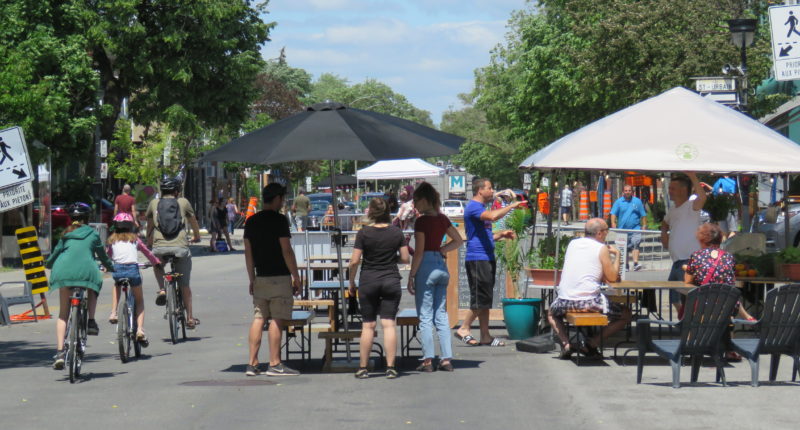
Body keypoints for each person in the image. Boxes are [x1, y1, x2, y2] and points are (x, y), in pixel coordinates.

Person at [547, 218, 632, 358]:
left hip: (564, 300)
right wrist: (617, 255)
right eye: (606, 231)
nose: (607, 235)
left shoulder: (573, 244)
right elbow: (611, 278)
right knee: (626, 314)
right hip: (588, 301)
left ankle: (566, 344)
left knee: (551, 314)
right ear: (599, 233)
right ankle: (592, 343)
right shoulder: (601, 248)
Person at [46, 202, 115, 369]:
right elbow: (102, 256)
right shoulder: (92, 234)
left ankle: (61, 352)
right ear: (87, 219)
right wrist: (112, 267)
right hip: (86, 271)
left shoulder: (66, 234)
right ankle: (91, 320)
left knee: (63, 314)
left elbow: (54, 255)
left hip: (64, 272)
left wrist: (48, 264)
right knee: (93, 286)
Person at [455, 178, 522, 347]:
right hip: (477, 258)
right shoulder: (473, 207)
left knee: (486, 299)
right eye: (489, 188)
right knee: (480, 298)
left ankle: (485, 335)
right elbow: (492, 217)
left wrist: (501, 235)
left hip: (487, 257)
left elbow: (484, 236)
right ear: (480, 191)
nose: (492, 191)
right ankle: (464, 328)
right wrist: (511, 206)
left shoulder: (481, 208)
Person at [348, 198, 409, 379]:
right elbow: (406, 259)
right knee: (389, 323)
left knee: (368, 325)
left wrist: (351, 282)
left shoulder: (364, 233)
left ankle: (363, 368)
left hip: (369, 280)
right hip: (391, 280)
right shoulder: (396, 232)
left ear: (371, 212)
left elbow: (354, 261)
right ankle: (390, 367)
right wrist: (392, 260)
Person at [244, 183, 302, 376]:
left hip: (260, 276)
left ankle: (252, 363)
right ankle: (275, 363)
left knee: (259, 318)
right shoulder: (279, 220)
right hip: (279, 276)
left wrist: (252, 278)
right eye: (282, 199)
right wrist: (296, 276)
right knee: (277, 319)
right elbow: (286, 249)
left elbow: (248, 253)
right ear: (277, 198)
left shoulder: (251, 221)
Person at [407, 182, 463, 372]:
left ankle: (428, 360)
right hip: (441, 265)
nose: (414, 204)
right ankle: (446, 358)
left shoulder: (421, 222)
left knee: (425, 315)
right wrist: (442, 249)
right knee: (441, 314)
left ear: (424, 200)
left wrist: (411, 275)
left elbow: (419, 251)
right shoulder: (442, 219)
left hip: (426, 267)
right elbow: (458, 240)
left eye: (416, 200)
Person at [146, 177, 202, 328]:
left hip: (159, 247)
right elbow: (193, 221)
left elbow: (150, 226)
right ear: (177, 191)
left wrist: (149, 242)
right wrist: (197, 236)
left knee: (157, 264)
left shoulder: (153, 203)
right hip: (180, 248)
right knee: (185, 284)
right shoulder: (183, 202)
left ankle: (162, 289)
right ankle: (190, 318)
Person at [106, 212, 162, 347]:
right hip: (132, 270)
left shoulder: (112, 239)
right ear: (131, 226)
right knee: (139, 300)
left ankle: (113, 313)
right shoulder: (135, 239)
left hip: (118, 270)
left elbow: (108, 255)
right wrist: (156, 262)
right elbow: (147, 252)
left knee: (116, 284)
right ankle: (140, 330)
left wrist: (105, 266)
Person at [661, 172, 706, 314]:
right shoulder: (673, 209)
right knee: (675, 297)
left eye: (672, 188)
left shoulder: (691, 206)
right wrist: (664, 234)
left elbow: (703, 197)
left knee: (688, 297)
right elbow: (665, 222)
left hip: (688, 261)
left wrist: (692, 176)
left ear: (683, 190)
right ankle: (687, 320)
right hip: (677, 261)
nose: (670, 191)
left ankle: (691, 322)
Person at [610, 185, 647, 271]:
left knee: (635, 244)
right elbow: (613, 213)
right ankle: (625, 265)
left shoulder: (637, 201)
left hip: (635, 228)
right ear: (623, 192)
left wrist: (644, 225)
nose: (627, 192)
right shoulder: (618, 202)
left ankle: (635, 263)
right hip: (622, 229)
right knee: (624, 247)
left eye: (629, 190)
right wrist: (613, 222)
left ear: (632, 192)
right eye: (626, 190)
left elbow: (643, 214)